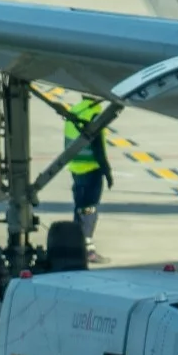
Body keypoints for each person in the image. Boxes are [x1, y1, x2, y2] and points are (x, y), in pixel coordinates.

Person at [65, 94, 112, 263]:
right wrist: (107, 170)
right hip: (91, 168)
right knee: (89, 210)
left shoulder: (76, 109)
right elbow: (98, 145)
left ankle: (75, 246)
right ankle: (87, 249)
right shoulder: (94, 112)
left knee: (80, 207)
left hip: (75, 167)